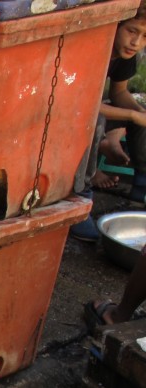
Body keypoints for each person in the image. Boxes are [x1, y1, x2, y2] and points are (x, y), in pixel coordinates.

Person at [71, 4, 146, 242]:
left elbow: (120, 93)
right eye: (131, 31)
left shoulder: (125, 55)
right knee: (98, 119)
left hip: (95, 107)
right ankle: (80, 199)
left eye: (145, 37)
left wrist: (139, 113)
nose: (136, 42)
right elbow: (84, 104)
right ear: (115, 25)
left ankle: (140, 189)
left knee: (139, 113)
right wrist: (133, 116)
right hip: (72, 111)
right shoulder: (95, 47)